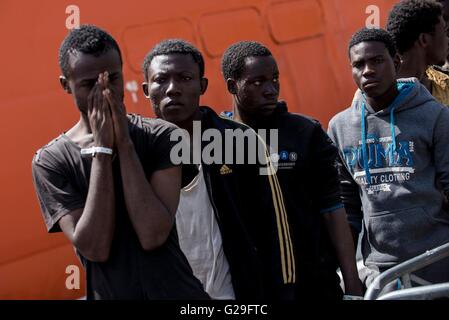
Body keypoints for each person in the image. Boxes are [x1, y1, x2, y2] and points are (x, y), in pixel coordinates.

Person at [31, 25, 209, 300]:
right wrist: (102, 150)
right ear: (66, 85)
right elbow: (95, 248)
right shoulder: (51, 162)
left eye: (112, 79)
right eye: (89, 84)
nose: (104, 92)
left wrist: (124, 144)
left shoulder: (163, 137)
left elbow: (153, 234)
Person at [141, 39, 295, 300]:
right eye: (161, 80)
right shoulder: (135, 152)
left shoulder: (242, 141)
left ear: (202, 86)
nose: (172, 89)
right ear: (146, 89)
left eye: (184, 78)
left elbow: (275, 233)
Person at [219, 41, 363, 300]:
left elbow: (333, 211)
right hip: (250, 289)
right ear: (232, 86)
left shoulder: (306, 133)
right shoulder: (218, 141)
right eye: (257, 82)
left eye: (274, 79)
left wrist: (352, 286)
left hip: (314, 286)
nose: (271, 90)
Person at [328, 27, 449, 292]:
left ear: (396, 62)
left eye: (377, 61)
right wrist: (350, 276)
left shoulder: (435, 116)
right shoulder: (340, 127)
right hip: (382, 272)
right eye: (358, 64)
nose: (368, 70)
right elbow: (346, 206)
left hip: (439, 260)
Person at [386, 0, 449, 105]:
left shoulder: (445, 85)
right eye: (443, 32)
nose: (447, 39)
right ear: (424, 39)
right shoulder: (377, 93)